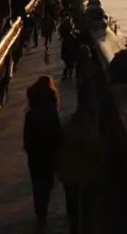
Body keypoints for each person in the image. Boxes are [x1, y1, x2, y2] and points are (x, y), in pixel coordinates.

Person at [58, 106, 105, 234]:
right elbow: (98, 154)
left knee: (73, 204)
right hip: (88, 177)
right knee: (87, 207)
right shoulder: (91, 134)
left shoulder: (67, 129)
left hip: (71, 177)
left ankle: (74, 227)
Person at [22, 76, 61, 228]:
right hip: (49, 155)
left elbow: (27, 142)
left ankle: (40, 214)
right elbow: (57, 134)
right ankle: (42, 213)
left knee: (37, 185)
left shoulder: (30, 116)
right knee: (47, 184)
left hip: (35, 158)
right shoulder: (51, 114)